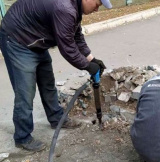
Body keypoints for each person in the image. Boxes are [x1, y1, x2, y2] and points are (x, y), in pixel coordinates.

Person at [0, 0, 112, 152]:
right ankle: (22, 137)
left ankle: (57, 118)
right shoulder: (65, 8)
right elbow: (68, 48)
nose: (97, 10)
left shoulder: (74, 7)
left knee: (48, 83)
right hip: (17, 38)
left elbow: (76, 36)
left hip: (36, 38)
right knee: (26, 92)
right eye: (98, 5)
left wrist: (93, 60)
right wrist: (87, 66)